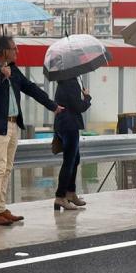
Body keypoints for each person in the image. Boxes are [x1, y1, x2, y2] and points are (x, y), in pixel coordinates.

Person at [0, 34, 64, 227]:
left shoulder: (14, 70)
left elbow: (31, 88)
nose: (17, 51)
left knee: (7, 168)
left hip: (13, 123)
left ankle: (1, 207)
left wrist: (52, 106)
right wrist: (1, 77)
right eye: (14, 48)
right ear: (4, 51)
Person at [53, 74, 92, 211]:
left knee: (74, 160)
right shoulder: (71, 83)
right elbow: (79, 106)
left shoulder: (63, 81)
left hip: (64, 124)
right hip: (69, 125)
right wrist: (87, 97)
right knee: (69, 162)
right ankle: (60, 197)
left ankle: (70, 193)